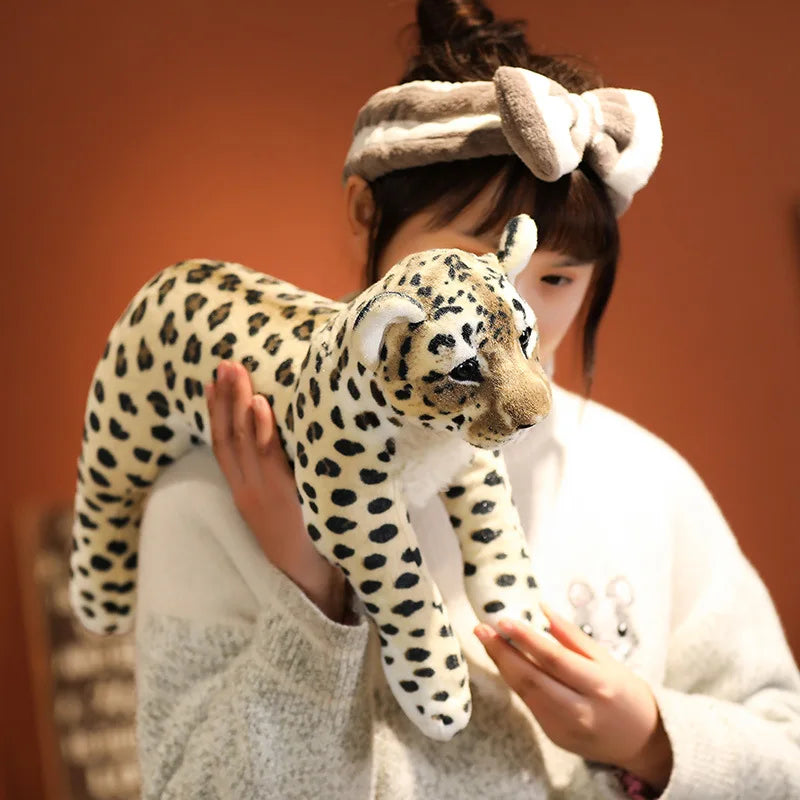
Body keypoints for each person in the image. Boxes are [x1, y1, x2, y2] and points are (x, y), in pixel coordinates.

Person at [133, 1, 800, 798]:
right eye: (470, 266)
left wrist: (653, 737)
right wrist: (311, 598)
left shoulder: (644, 481)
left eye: (559, 278)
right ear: (365, 217)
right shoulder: (222, 486)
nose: (516, 316)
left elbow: (785, 749)